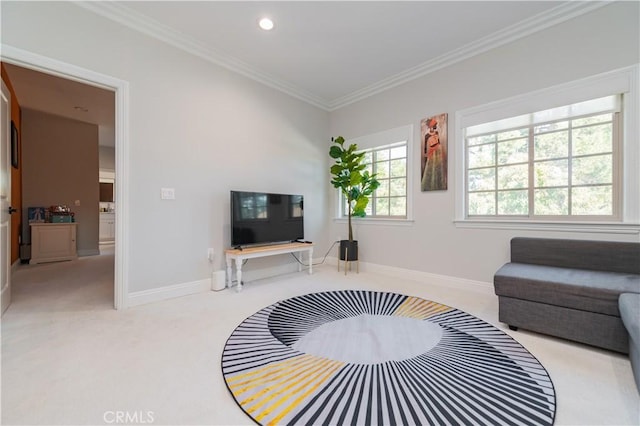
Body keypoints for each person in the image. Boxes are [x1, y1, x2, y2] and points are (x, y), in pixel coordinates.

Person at [421, 117, 446, 191]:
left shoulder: (437, 133)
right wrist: (426, 154)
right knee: (431, 168)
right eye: (435, 124)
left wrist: (440, 152)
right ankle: (430, 185)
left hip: (438, 152)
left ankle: (438, 184)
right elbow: (425, 147)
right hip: (431, 153)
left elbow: (439, 143)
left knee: (438, 168)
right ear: (432, 125)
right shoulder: (427, 135)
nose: (436, 126)